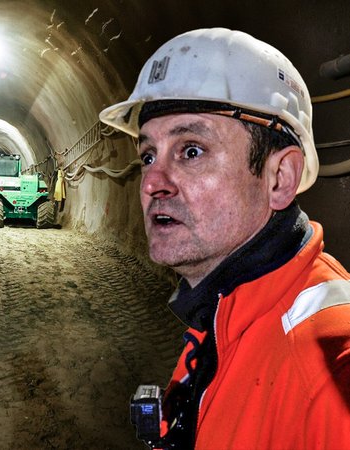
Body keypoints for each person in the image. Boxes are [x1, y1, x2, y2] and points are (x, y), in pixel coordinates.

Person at [100, 28, 350, 448]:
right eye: (147, 155)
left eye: (191, 150)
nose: (151, 184)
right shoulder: (221, 315)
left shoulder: (330, 368)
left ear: (279, 178)